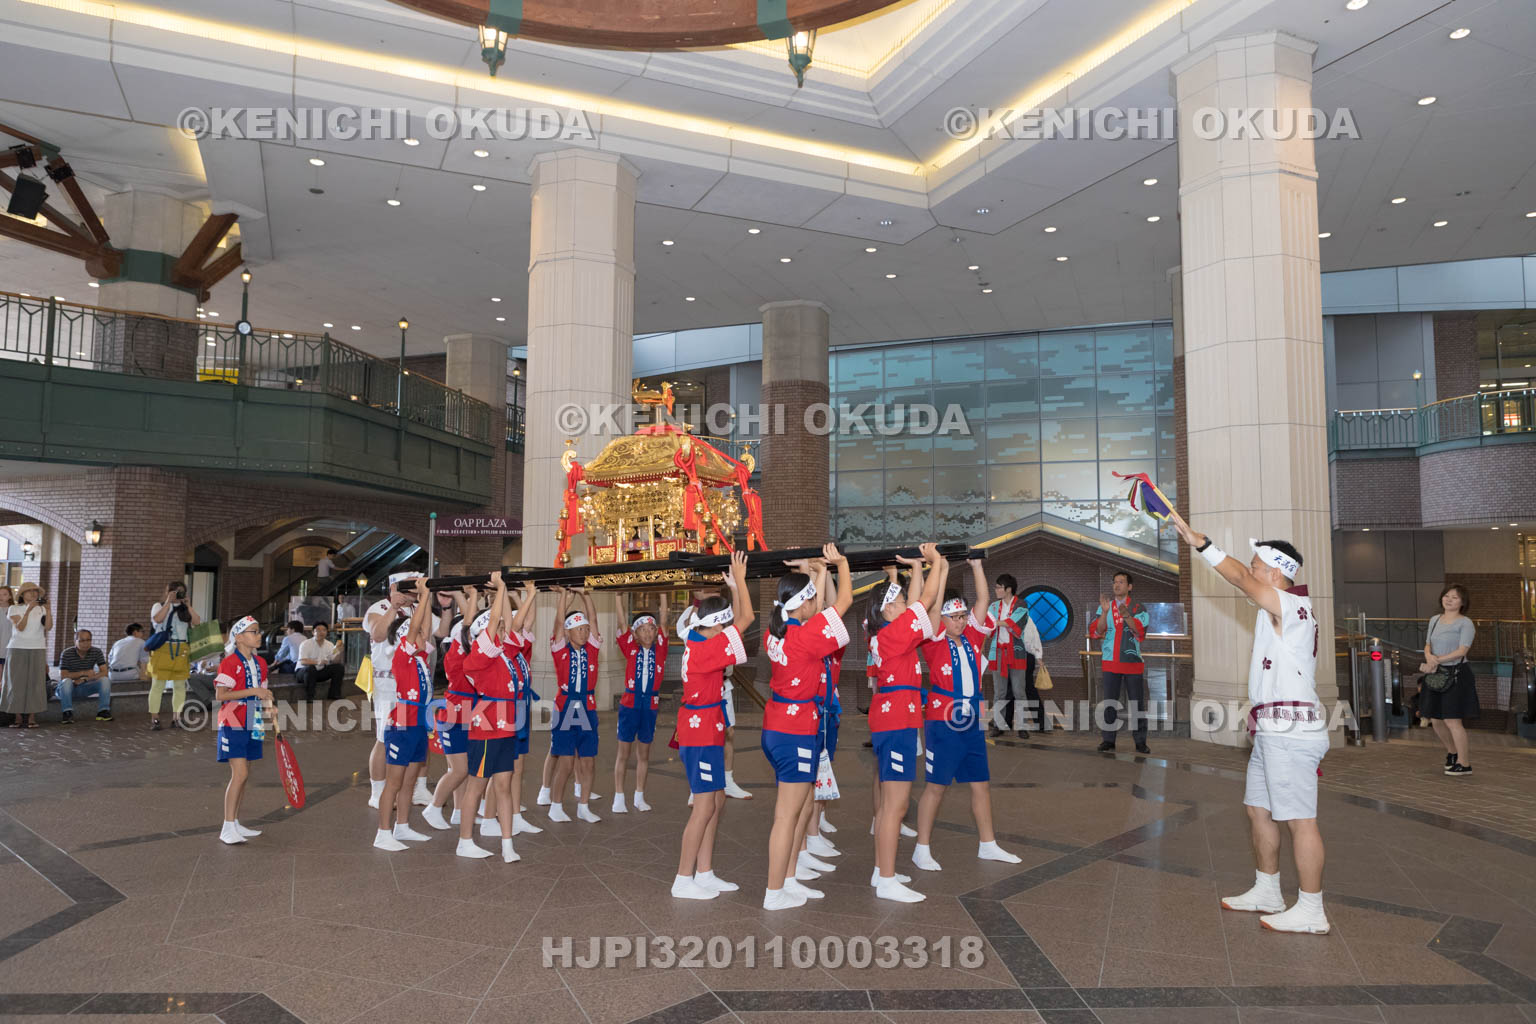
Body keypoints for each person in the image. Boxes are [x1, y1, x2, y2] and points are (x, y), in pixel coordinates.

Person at [1169, 513, 1331, 935]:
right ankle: (1268, 890)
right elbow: (1244, 577)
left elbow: (1239, 577)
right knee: (1258, 810)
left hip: (1292, 733)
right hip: (1272, 730)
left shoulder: (1292, 605)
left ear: (1277, 574)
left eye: (1258, 566)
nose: (1251, 571)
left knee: (1300, 819)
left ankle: (1312, 909)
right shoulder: (1277, 610)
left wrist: (1201, 543)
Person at [913, 558, 1022, 871]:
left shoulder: (974, 637)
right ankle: (922, 848)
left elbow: (984, 600)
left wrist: (976, 566)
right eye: (953, 617)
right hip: (941, 720)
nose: (960, 622)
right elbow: (929, 607)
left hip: (972, 717)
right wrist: (937, 568)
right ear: (942, 619)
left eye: (962, 616)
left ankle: (988, 844)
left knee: (980, 783)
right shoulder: (933, 641)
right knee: (936, 786)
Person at [760, 545, 852, 910]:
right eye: (813, 597)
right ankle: (773, 892)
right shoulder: (806, 636)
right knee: (786, 816)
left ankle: (788, 880)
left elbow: (813, 604)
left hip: (780, 725)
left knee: (797, 811)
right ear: (804, 603)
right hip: (795, 731)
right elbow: (844, 598)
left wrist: (813, 571)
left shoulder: (779, 632)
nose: (817, 603)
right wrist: (841, 564)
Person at [673, 551, 754, 900]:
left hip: (705, 724)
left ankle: (703, 873)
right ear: (717, 625)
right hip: (701, 728)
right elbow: (748, 616)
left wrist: (734, 587)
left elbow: (737, 619)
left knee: (716, 800)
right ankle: (683, 879)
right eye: (725, 624)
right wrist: (740, 581)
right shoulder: (707, 648)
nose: (728, 628)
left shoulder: (699, 638)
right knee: (705, 805)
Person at [867, 543, 944, 903]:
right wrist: (935, 563)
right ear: (886, 610)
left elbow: (918, 600)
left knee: (890, 803)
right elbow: (925, 600)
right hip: (895, 718)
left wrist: (918, 567)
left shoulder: (892, 633)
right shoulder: (893, 634)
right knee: (896, 804)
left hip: (896, 715)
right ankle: (885, 878)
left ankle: (882, 869)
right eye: (898, 603)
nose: (905, 606)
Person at [460, 573, 536, 862]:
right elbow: (494, 623)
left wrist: (529, 594)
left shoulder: (505, 653)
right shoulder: (478, 656)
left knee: (504, 785)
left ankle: (507, 843)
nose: (505, 629)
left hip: (506, 726)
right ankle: (465, 840)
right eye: (499, 628)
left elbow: (517, 624)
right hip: (487, 727)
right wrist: (501, 589)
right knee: (476, 785)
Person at [373, 578, 436, 852]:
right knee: (394, 781)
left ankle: (403, 826)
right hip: (401, 724)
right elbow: (415, 628)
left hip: (418, 724)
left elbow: (425, 627)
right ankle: (383, 832)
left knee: (410, 779)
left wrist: (426, 598)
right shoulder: (403, 656)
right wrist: (422, 595)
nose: (424, 635)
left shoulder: (421, 659)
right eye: (417, 634)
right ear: (405, 638)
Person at [364, 572, 427, 809]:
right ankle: (378, 791)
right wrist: (393, 606)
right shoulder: (379, 607)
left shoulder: (416, 608)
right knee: (384, 736)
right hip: (388, 682)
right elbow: (377, 633)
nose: (414, 590)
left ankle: (417, 789)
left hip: (415, 679)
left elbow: (429, 636)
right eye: (410, 585)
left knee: (418, 733)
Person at [214, 616, 272, 845]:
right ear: (238, 637)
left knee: (244, 774)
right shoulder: (229, 663)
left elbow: (263, 693)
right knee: (240, 774)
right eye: (253, 632)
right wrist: (254, 691)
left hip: (254, 719)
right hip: (232, 721)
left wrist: (269, 706)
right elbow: (221, 695)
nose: (259, 635)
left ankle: (235, 822)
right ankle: (227, 826)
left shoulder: (261, 664)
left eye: (258, 631)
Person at [548, 587, 602, 823]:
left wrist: (585, 595)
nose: (584, 633)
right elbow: (559, 622)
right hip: (567, 706)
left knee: (588, 761)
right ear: (568, 632)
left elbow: (595, 619)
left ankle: (584, 806)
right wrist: (563, 598)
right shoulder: (560, 649)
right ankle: (556, 805)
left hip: (587, 706)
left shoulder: (592, 649)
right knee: (567, 762)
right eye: (579, 629)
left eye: (586, 629)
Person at [613, 595, 667, 814]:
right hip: (629, 705)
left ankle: (639, 795)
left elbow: (664, 619)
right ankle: (618, 796)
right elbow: (620, 621)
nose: (648, 632)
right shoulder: (630, 648)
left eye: (651, 629)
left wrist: (663, 592)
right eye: (642, 629)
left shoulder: (661, 649)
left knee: (644, 754)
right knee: (623, 753)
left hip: (650, 706)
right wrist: (618, 597)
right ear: (635, 633)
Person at [1089, 572, 1151, 754]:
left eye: (1121, 582)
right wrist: (1105, 612)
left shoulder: (1139, 607)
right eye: (1115, 582)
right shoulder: (1105, 607)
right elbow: (1096, 631)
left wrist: (1127, 616)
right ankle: (1108, 740)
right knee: (1109, 702)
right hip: (1110, 661)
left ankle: (1140, 741)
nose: (1117, 585)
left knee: (1137, 704)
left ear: (1129, 587)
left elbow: (1140, 631)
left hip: (1132, 662)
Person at [1420, 584, 1477, 777]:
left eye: (1455, 597)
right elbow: (1428, 644)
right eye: (1446, 596)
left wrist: (1437, 660)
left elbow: (1462, 650)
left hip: (1456, 674)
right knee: (1435, 718)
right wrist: (1429, 656)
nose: (1449, 599)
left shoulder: (1465, 623)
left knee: (1452, 719)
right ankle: (1452, 753)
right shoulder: (1435, 620)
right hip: (1436, 672)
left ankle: (1465, 763)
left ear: (1463, 602)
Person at [986, 574, 1045, 736]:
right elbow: (987, 624)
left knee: (1020, 691)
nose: (996, 590)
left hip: (1017, 652)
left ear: (1008, 589)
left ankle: (1023, 726)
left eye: (998, 587)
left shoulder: (1021, 604)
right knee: (999, 692)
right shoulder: (993, 606)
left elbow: (1015, 623)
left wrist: (997, 623)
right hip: (998, 652)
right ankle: (999, 725)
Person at [148, 581, 201, 731]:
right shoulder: (159, 605)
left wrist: (189, 605)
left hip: (181, 649)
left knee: (179, 686)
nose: (179, 594)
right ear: (168, 592)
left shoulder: (185, 609)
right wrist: (168, 602)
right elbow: (157, 619)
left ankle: (177, 718)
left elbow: (197, 622)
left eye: (181, 591)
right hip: (164, 648)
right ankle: (155, 718)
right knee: (157, 685)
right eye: (176, 591)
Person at [2, 582, 50, 729]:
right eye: (29, 591)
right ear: (22, 594)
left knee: (35, 683)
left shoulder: (42, 609)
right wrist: (28, 610)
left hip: (38, 647)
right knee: (16, 682)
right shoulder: (13, 608)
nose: (33, 594)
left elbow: (48, 627)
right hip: (17, 648)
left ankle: (31, 717)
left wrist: (49, 610)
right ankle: (17, 717)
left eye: (35, 591)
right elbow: (20, 627)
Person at [57, 629, 111, 723]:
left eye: (88, 640)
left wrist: (85, 679)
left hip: (84, 686)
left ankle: (103, 711)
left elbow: (104, 672)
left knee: (105, 680)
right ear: (75, 641)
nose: (85, 643)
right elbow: (63, 675)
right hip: (67, 688)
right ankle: (67, 713)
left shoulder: (96, 652)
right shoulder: (67, 653)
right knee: (67, 681)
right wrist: (83, 673)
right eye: (82, 640)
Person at [297, 622, 344, 700]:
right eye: (318, 630)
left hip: (319, 672)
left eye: (324, 630)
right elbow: (303, 661)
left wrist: (339, 652)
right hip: (303, 672)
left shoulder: (330, 644)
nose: (321, 632)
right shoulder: (305, 644)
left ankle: (334, 694)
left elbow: (334, 661)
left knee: (339, 667)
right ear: (313, 632)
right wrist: (318, 662)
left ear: (326, 632)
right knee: (310, 669)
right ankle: (310, 697)